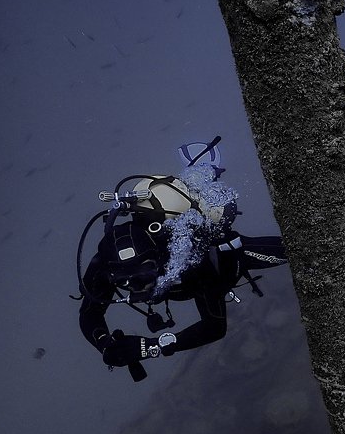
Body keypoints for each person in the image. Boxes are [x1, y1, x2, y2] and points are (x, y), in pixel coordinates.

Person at [76, 139, 286, 382]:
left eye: (144, 276)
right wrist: (106, 345)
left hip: (222, 264)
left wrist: (154, 347)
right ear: (112, 275)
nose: (137, 287)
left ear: (157, 259)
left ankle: (204, 173)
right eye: (125, 283)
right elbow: (89, 314)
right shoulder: (104, 264)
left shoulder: (187, 254)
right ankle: (197, 171)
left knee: (292, 250)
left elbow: (214, 327)